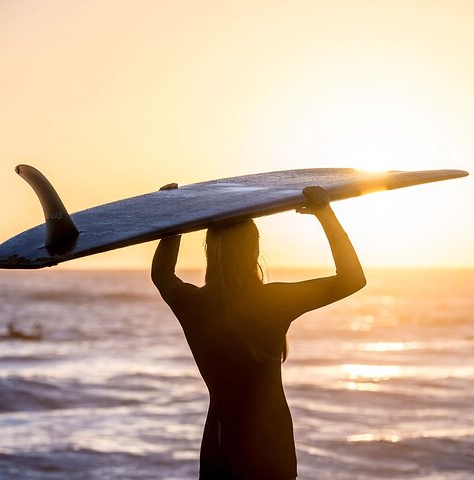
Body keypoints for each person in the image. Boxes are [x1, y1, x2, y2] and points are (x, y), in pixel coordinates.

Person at [151, 186, 366, 480]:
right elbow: (352, 278)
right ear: (254, 249)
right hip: (270, 446)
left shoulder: (193, 304)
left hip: (220, 442)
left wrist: (171, 214)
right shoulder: (272, 301)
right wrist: (324, 214)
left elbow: (162, 276)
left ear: (210, 250)